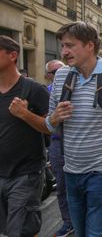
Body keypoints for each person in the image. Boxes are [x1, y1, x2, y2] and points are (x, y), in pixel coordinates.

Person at [41, 21, 102, 236]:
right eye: (63, 46)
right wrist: (54, 118)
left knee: (96, 234)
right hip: (71, 171)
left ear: (90, 45)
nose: (64, 52)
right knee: (80, 232)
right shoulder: (62, 76)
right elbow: (48, 125)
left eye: (70, 45)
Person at [0, 35, 49, 237]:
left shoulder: (34, 90)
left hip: (25, 174)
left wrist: (25, 114)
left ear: (13, 56)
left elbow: (51, 128)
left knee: (19, 232)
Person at [45, 59, 75, 237]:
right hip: (57, 143)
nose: (59, 75)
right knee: (62, 187)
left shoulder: (80, 86)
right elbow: (45, 121)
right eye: (55, 72)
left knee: (83, 186)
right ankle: (68, 222)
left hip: (79, 144)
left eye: (62, 71)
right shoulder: (47, 91)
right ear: (49, 76)